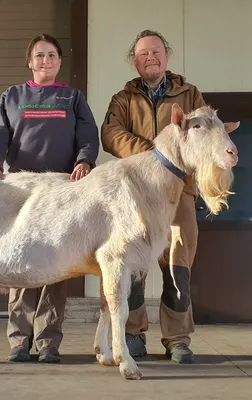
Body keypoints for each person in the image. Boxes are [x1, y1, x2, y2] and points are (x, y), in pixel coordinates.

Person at [0, 33, 99, 363]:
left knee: (54, 264)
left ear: (60, 62)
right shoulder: (13, 96)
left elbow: (87, 136)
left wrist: (84, 161)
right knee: (18, 260)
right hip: (20, 192)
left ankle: (48, 341)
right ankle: (19, 339)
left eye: (51, 55)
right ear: (29, 62)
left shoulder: (72, 98)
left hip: (60, 194)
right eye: (39, 56)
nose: (45, 61)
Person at [101, 29, 206, 364]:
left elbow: (205, 134)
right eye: (144, 53)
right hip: (136, 195)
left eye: (156, 51)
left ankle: (177, 338)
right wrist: (156, 155)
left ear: (167, 55)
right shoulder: (123, 99)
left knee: (178, 268)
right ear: (135, 60)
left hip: (180, 195)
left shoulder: (190, 95)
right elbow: (111, 134)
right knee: (132, 266)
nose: (151, 57)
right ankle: (132, 333)